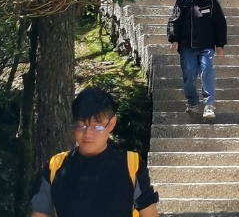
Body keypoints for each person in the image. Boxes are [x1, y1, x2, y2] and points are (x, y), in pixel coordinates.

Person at [29, 86, 160, 217]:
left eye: (97, 127)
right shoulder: (55, 166)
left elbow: (149, 213)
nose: (88, 134)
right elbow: (40, 212)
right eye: (81, 126)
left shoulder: (131, 165)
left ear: (111, 124)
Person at [167, 0, 227, 120]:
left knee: (207, 69)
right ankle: (192, 101)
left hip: (206, 44)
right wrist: (173, 39)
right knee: (189, 72)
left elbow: (219, 22)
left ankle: (209, 104)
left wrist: (220, 44)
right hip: (186, 45)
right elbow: (174, 19)